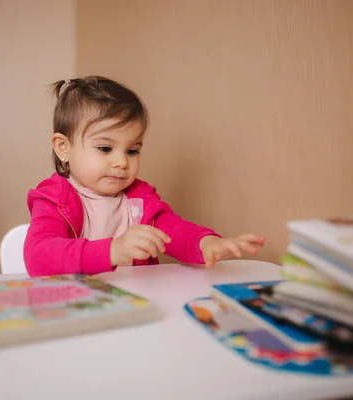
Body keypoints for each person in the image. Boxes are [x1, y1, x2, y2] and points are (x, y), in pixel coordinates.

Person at [24, 76, 265, 276]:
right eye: (105, 148)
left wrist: (208, 244)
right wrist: (113, 250)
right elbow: (39, 257)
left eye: (132, 151)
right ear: (63, 148)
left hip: (138, 306)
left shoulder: (140, 200)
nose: (121, 162)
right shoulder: (55, 199)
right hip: (78, 307)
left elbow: (175, 232)